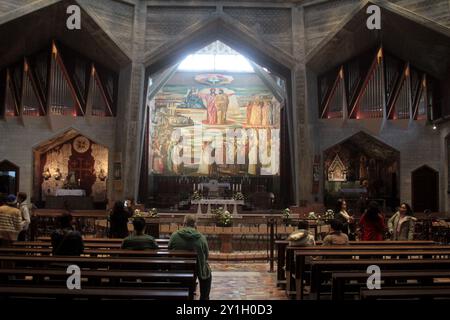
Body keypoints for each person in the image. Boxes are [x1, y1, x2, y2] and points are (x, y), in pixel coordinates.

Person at [168, 215, 211, 300]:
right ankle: (204, 298)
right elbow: (206, 255)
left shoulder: (175, 235)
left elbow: (169, 249)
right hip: (197, 268)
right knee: (207, 272)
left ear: (184, 223)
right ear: (195, 224)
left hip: (178, 267)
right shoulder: (201, 238)